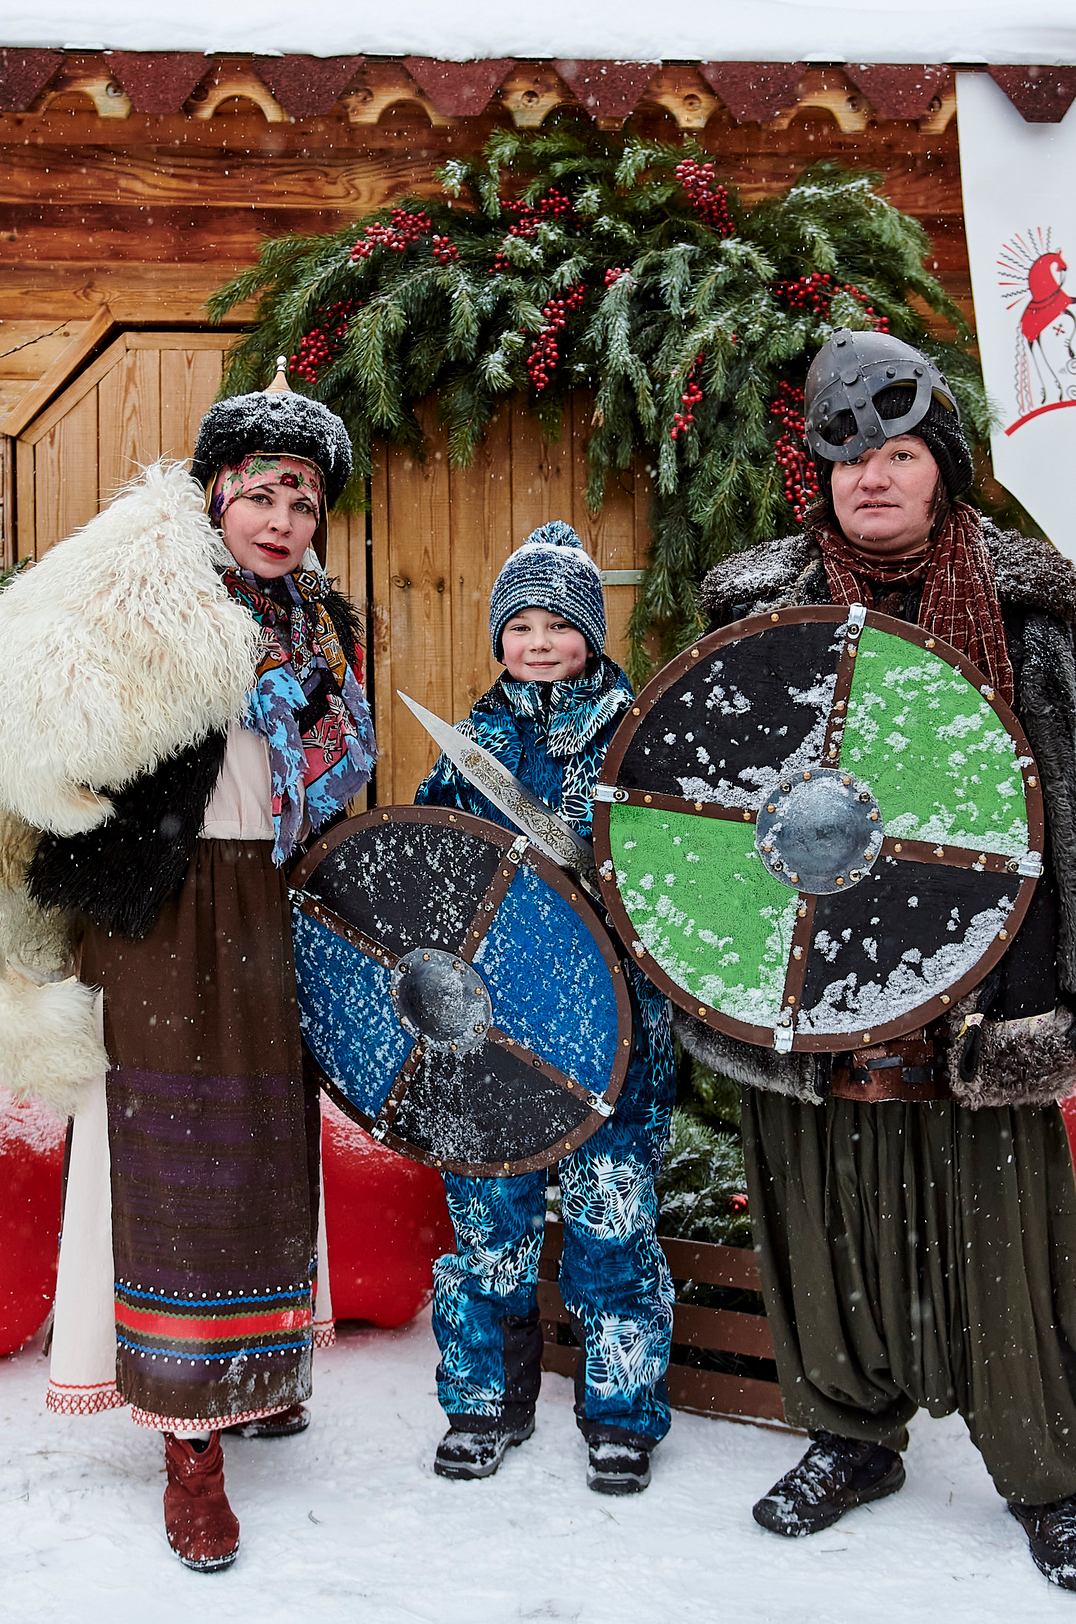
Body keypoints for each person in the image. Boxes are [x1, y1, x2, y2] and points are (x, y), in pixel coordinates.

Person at [0, 373, 374, 1574]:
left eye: (303, 497)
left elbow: (336, 770)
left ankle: (257, 1372)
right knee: (174, 1153)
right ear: (214, 495)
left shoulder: (324, 622)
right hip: (163, 908)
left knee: (267, 1139)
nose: (283, 517)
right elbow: (32, 711)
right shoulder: (146, 603)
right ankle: (189, 1437)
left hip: (277, 901)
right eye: (260, 492)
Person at [683, 331, 1076, 1593]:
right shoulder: (758, 608)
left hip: (986, 978)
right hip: (809, 969)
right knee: (827, 1223)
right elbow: (699, 803)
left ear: (940, 467)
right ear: (821, 479)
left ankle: (1049, 1472)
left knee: (1000, 1238)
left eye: (898, 454)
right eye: (849, 460)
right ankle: (849, 1435)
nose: (873, 480)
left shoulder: (1027, 608)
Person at [413, 522, 678, 1497]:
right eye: (518, 623)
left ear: (591, 637)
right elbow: (427, 873)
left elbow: (675, 876)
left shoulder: (638, 739)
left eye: (556, 625)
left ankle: (621, 1413)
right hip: (495, 1036)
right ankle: (484, 1403)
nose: (535, 641)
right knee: (489, 1227)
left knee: (613, 1227)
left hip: (616, 1033)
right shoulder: (467, 749)